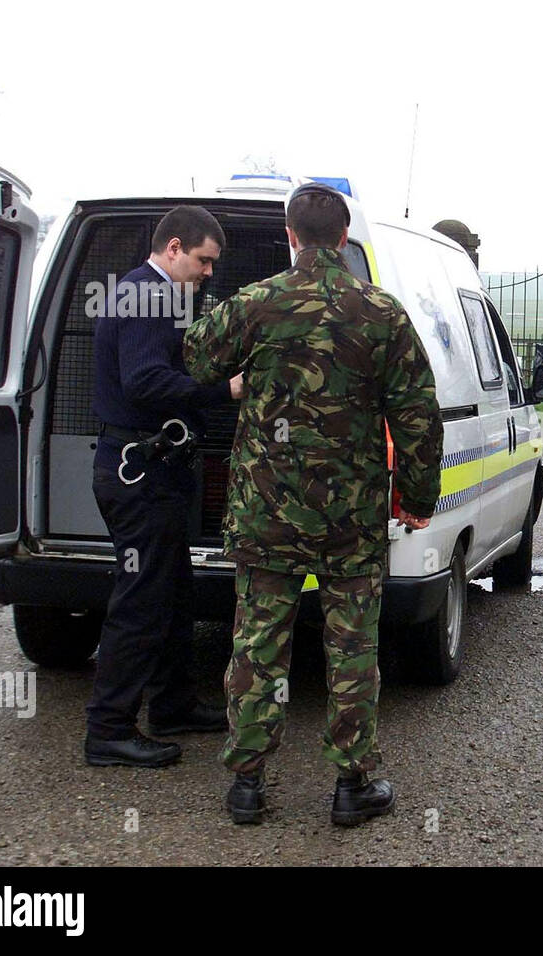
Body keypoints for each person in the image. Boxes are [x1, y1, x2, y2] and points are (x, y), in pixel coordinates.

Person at [182, 182, 443, 826]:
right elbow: (416, 413)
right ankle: (352, 785)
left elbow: (196, 360)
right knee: (352, 643)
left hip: (265, 511)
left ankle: (247, 783)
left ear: (290, 237)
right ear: (345, 239)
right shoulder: (381, 311)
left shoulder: (255, 302)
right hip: (349, 516)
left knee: (257, 642)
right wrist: (416, 495)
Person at [85, 206, 243, 768]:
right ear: (173, 247)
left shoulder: (151, 294)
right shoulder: (147, 295)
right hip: (139, 473)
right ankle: (108, 730)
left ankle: (173, 706)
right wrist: (226, 389)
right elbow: (147, 381)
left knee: (174, 593)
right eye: (202, 260)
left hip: (156, 469)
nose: (207, 273)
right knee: (140, 602)